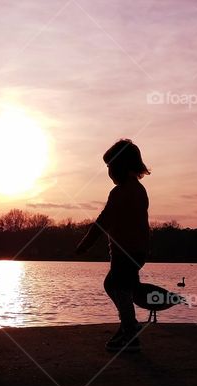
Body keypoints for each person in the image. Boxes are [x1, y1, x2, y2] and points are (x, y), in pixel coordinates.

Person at [76, 139, 151, 352]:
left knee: (118, 286)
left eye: (110, 166)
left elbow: (103, 220)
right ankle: (128, 326)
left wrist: (85, 244)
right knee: (115, 286)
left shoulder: (120, 193)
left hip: (125, 252)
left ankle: (130, 331)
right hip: (138, 251)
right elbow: (143, 223)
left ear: (120, 166)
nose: (108, 172)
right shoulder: (140, 190)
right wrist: (145, 249)